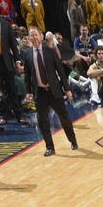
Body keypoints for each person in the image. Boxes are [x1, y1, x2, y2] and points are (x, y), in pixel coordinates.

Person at [21, 27, 78, 156]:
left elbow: (61, 71)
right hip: (39, 92)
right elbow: (27, 74)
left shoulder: (50, 51)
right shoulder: (27, 53)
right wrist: (28, 91)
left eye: (36, 35)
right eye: (31, 35)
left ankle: (72, 140)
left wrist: (67, 89)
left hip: (54, 90)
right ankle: (50, 147)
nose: (34, 37)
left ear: (41, 37)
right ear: (29, 38)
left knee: (64, 117)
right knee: (42, 121)